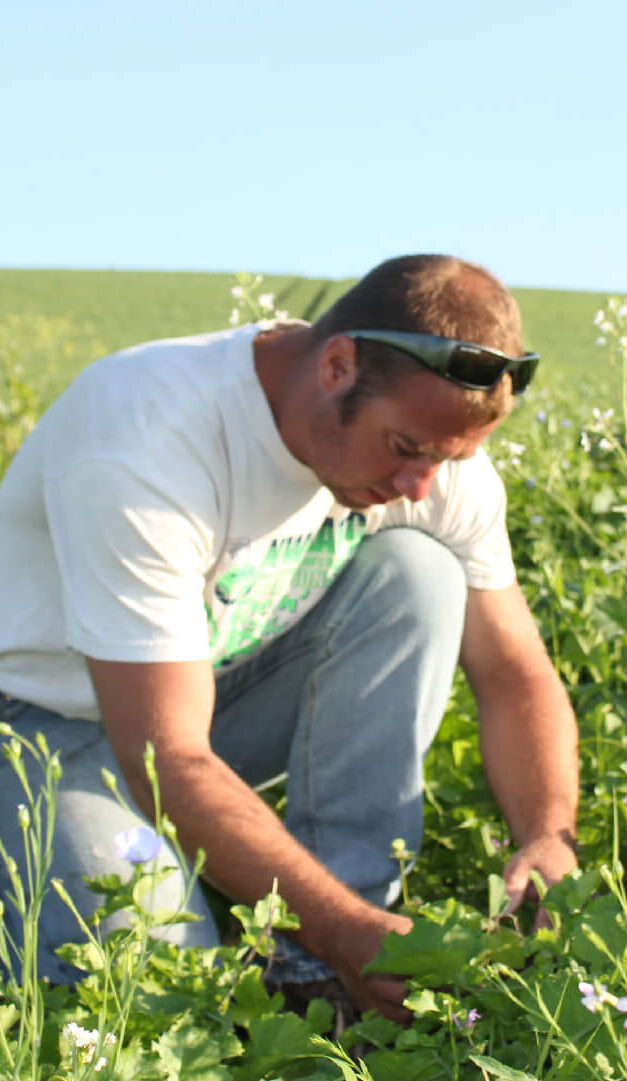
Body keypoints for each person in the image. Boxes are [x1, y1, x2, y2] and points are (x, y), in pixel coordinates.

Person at [0, 254, 579, 1021]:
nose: (422, 484)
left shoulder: (431, 457)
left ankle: (329, 960)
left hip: (201, 707)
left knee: (419, 569)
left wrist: (547, 835)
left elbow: (514, 672)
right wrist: (341, 928)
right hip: (43, 728)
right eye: (406, 448)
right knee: (156, 998)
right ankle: (340, 936)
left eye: (449, 458)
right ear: (336, 365)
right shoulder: (145, 436)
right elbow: (164, 758)